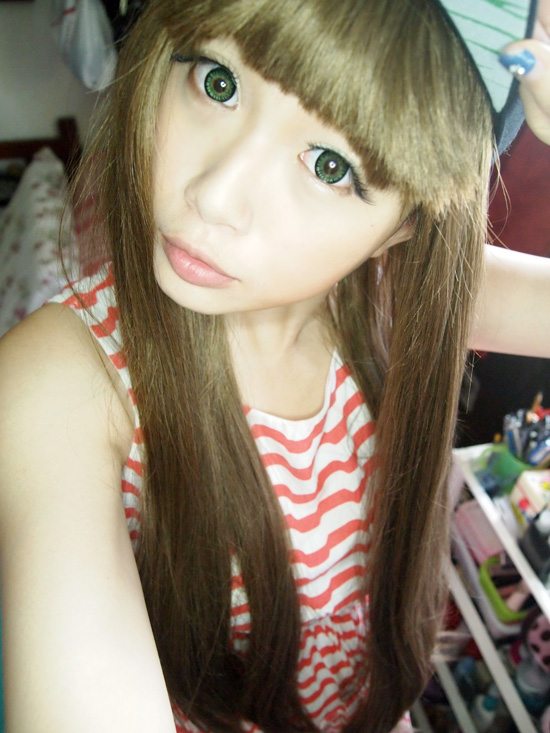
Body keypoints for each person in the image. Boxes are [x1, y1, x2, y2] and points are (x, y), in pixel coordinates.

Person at [0, 1, 548, 731]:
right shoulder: (62, 381)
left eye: (330, 166)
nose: (214, 196)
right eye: (218, 83)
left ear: (407, 223)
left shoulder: (389, 297)